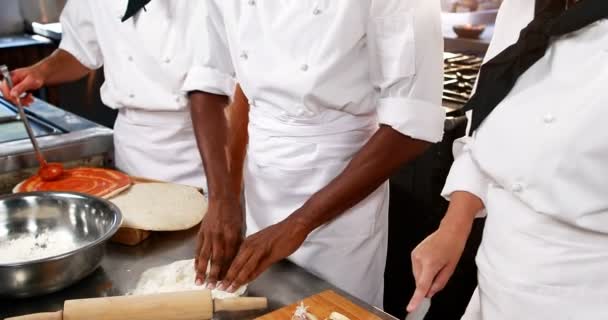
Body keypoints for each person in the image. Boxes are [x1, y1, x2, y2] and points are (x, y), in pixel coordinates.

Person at [183, 0, 446, 307]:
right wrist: (222, 197)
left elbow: (412, 124)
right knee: (260, 305)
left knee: (329, 308)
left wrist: (299, 223)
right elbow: (206, 81)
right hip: (262, 185)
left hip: (341, 195)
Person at [408, 0, 608, 318]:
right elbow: (483, 131)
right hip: (495, 280)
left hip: (587, 295)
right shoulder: (521, 8)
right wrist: (452, 228)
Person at [0, 0, 207, 189]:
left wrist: (225, 196)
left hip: (202, 149)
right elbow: (79, 48)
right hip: (133, 149)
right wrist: (40, 72)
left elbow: (235, 83)